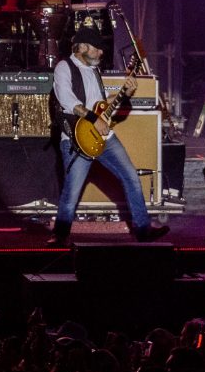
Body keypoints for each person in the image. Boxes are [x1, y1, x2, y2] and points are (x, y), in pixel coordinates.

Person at [49, 36, 169, 245]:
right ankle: (60, 236)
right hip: (77, 139)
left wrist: (125, 93)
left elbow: (102, 106)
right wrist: (94, 119)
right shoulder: (64, 67)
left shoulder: (94, 70)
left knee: (131, 176)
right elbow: (67, 100)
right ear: (82, 46)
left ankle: (143, 229)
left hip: (105, 137)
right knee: (72, 191)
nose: (101, 52)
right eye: (97, 48)